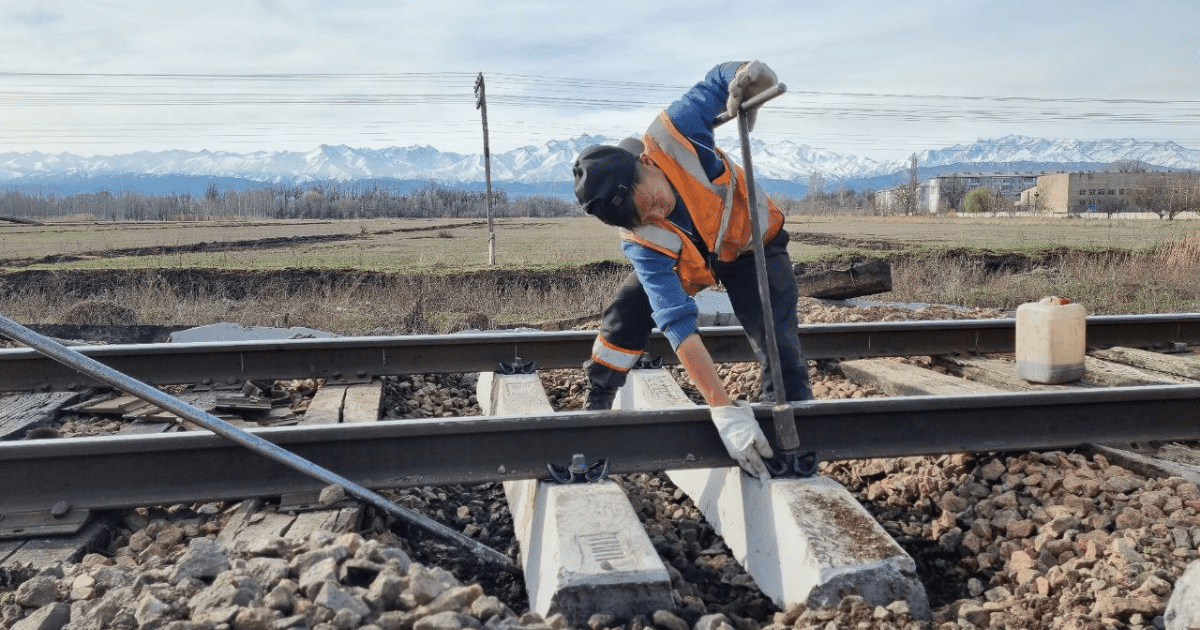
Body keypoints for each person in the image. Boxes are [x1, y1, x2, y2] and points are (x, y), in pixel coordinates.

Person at [571, 60, 812, 480]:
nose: (652, 214)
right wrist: (721, 408)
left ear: (643, 164)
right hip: (695, 262)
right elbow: (677, 323)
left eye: (646, 200)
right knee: (627, 311)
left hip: (752, 242)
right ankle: (599, 397)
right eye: (637, 217)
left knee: (776, 336)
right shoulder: (642, 239)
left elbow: (719, 79)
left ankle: (789, 442)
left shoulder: (674, 134)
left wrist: (749, 77)